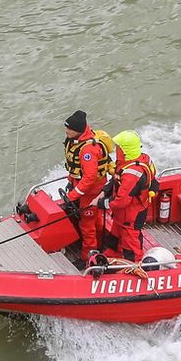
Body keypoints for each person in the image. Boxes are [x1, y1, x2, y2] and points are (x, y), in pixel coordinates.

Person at [61, 110, 115, 271]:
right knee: (95, 221)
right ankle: (100, 244)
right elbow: (77, 170)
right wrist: (72, 184)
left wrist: (73, 195)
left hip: (90, 192)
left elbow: (89, 178)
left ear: (78, 130)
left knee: (87, 224)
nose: (66, 131)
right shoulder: (76, 141)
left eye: (69, 129)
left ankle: (87, 256)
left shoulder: (88, 151)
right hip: (83, 188)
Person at [104, 130, 157, 264]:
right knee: (116, 234)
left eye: (118, 147)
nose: (116, 150)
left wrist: (102, 203)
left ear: (124, 150)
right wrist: (107, 189)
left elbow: (121, 201)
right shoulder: (142, 159)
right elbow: (153, 177)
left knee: (130, 241)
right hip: (124, 213)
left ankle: (134, 265)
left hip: (131, 214)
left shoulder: (132, 174)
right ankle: (114, 254)